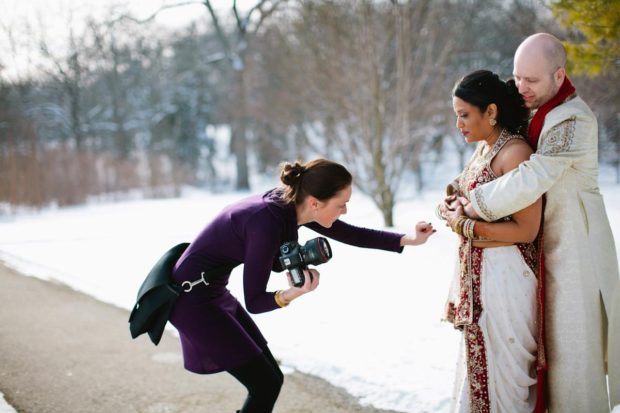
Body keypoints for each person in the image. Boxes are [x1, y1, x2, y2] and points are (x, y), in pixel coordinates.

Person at [169, 158, 435, 413]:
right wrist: (292, 293)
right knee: (265, 384)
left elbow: (350, 233)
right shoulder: (266, 222)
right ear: (316, 203)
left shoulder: (291, 204)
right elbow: (255, 301)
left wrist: (409, 239)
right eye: (341, 204)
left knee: (271, 378)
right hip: (191, 299)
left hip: (210, 291)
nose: (344, 211)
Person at [456, 33, 620, 412]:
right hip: (539, 253)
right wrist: (460, 192)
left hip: (575, 250)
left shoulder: (573, 118)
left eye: (532, 80)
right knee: (540, 360)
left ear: (559, 76)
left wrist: (472, 207)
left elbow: (533, 176)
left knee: (574, 363)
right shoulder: (534, 110)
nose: (521, 87)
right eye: (517, 78)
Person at [439, 69, 542, 412]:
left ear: (492, 112)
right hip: (481, 279)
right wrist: (451, 206)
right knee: (477, 372)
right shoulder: (485, 149)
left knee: (506, 380)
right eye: (457, 116)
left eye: (465, 115)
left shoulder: (514, 154)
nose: (459, 125)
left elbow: (527, 230)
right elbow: (461, 193)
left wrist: (465, 227)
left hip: (506, 284)